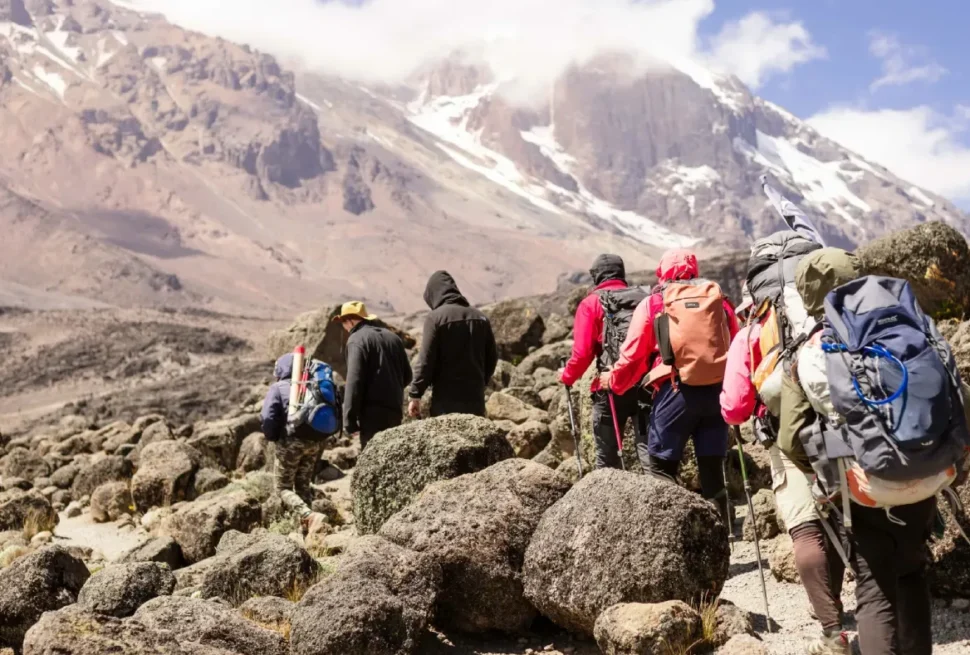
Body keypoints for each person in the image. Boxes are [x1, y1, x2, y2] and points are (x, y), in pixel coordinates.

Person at [779, 248, 949, 655]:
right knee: (912, 573)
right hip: (926, 473)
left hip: (865, 487)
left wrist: (828, 478)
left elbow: (790, 437)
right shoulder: (906, 327)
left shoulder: (810, 351)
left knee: (875, 592)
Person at [721, 300, 847, 655]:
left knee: (805, 526)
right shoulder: (828, 317)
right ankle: (839, 600)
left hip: (787, 436)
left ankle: (832, 630)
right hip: (843, 428)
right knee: (839, 519)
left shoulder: (752, 333)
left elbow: (734, 405)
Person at [601, 248, 738, 518]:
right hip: (716, 393)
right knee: (712, 469)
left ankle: (672, 532)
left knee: (661, 467)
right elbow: (735, 343)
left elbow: (632, 354)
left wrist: (613, 381)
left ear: (662, 272)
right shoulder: (719, 301)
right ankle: (722, 540)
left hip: (675, 391)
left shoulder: (655, 302)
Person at [560, 254, 649, 469]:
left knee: (607, 457)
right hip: (647, 382)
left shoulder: (591, 303)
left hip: (611, 386)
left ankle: (610, 499)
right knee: (649, 451)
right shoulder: (644, 298)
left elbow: (582, 353)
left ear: (596, 276)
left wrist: (567, 376)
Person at [408, 271, 498, 418]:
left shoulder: (435, 318)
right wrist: (480, 382)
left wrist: (415, 394)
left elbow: (426, 360)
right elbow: (492, 358)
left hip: (446, 401)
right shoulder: (480, 317)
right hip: (475, 399)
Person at [261, 353, 328, 527]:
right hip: (314, 443)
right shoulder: (312, 386)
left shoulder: (279, 387)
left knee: (282, 488)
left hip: (291, 443)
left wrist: (273, 438)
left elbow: (268, 417)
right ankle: (309, 530)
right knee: (303, 485)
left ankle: (308, 515)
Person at [336, 300, 412, 449]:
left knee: (373, 463)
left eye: (343, 323)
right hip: (395, 411)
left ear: (349, 321)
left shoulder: (356, 339)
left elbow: (354, 381)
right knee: (392, 458)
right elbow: (408, 375)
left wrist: (349, 421)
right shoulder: (393, 338)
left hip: (372, 416)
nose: (344, 328)